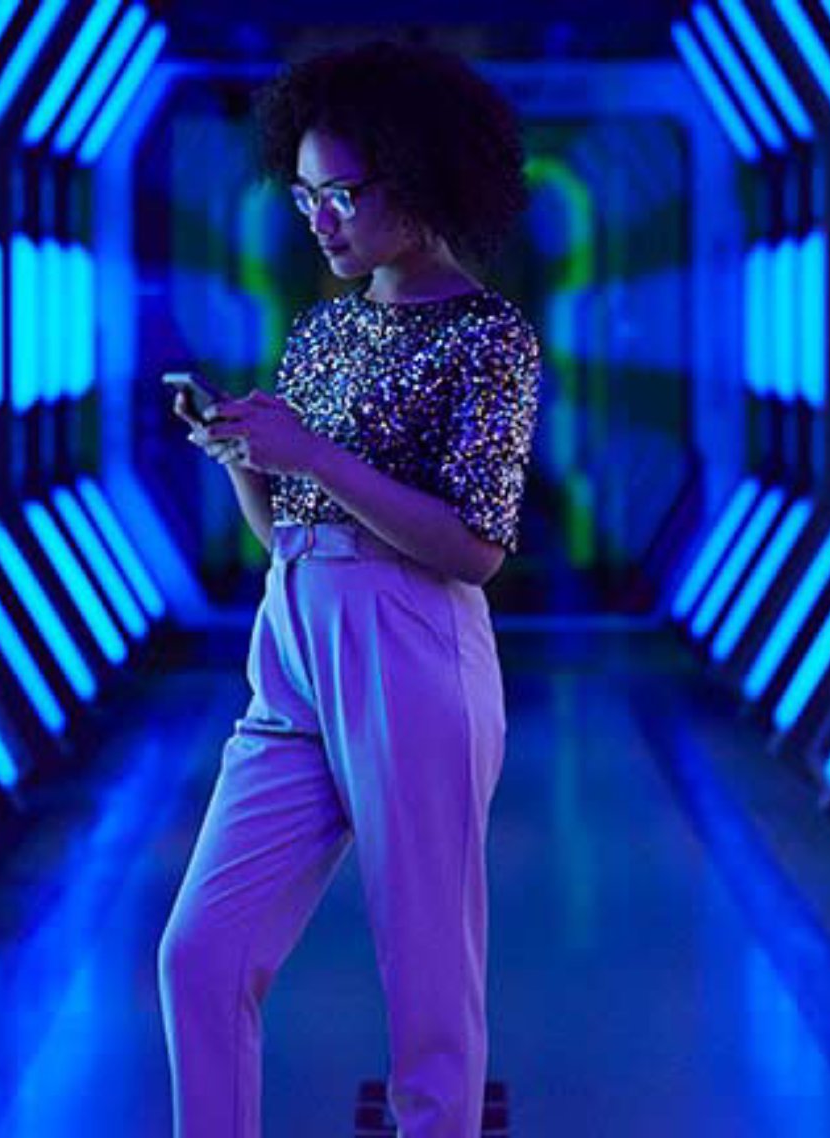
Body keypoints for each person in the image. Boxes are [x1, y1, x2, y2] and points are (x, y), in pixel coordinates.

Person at [158, 39, 541, 1138]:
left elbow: (474, 546)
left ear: (423, 178)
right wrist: (245, 458)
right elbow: (292, 526)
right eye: (304, 194)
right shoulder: (323, 329)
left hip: (413, 643)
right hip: (294, 633)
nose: (320, 220)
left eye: (342, 194)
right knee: (202, 951)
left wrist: (317, 456)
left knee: (428, 986)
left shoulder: (487, 341)